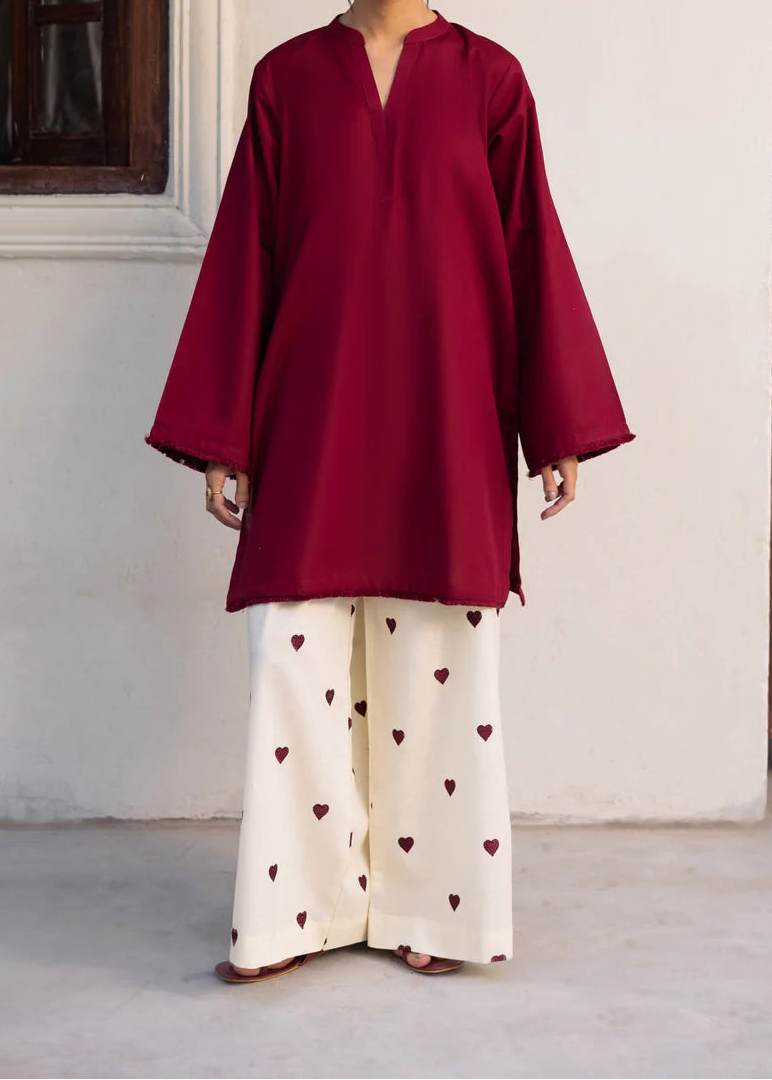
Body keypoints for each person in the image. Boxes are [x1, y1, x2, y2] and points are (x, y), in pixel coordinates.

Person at [144, 0, 636, 980]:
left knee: (440, 664)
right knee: (294, 658)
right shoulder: (287, 80)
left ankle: (436, 913)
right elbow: (245, 258)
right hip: (310, 419)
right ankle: (293, 914)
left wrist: (557, 427)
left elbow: (530, 248)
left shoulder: (490, 80)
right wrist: (221, 436)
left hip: (448, 418)